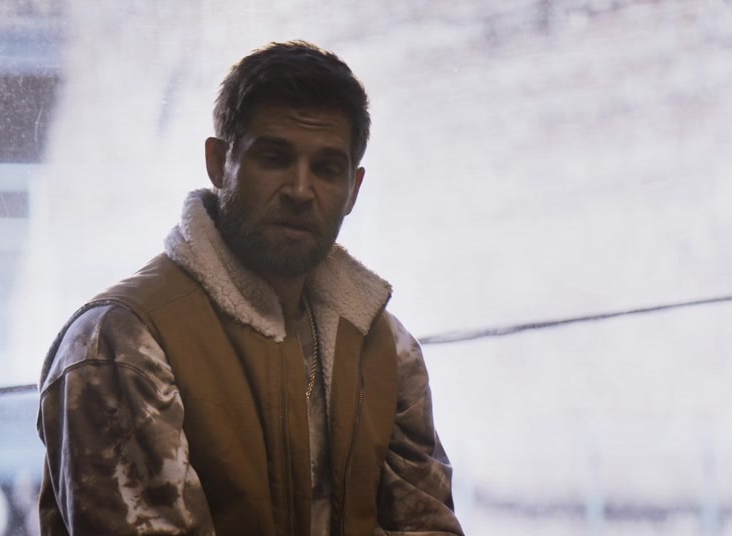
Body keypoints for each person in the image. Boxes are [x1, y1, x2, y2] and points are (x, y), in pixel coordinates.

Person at [36, 40, 463, 536]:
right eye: (274, 158)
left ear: (354, 189)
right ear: (218, 163)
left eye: (327, 169)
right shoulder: (122, 343)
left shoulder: (385, 347)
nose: (300, 191)